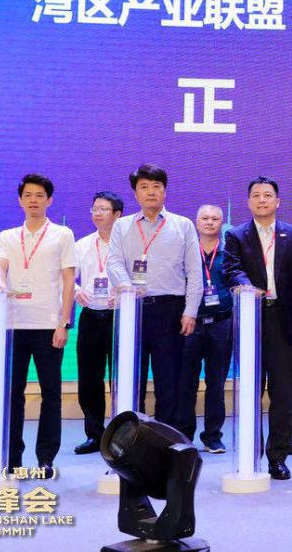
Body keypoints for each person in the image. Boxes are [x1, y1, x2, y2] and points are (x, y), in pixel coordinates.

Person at [223, 176, 292, 480]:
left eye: (267, 195)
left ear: (277, 201)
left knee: (282, 393)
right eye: (256, 195)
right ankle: (250, 454)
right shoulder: (236, 235)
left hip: (285, 321)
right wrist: (247, 287)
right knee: (251, 390)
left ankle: (277, 457)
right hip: (251, 318)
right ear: (248, 201)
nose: (262, 200)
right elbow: (232, 269)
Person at [106, 164, 201, 428]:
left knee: (168, 381)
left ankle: (165, 440)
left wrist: (190, 311)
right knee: (131, 378)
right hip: (132, 309)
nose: (150, 192)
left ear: (164, 192)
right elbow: (113, 262)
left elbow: (194, 271)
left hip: (170, 310)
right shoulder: (122, 226)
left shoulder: (182, 225)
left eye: (156, 186)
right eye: (144, 187)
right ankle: (130, 439)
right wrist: (127, 289)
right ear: (135, 194)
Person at [0, 173, 76, 473]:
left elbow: (69, 280)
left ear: (49, 200)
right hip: (13, 324)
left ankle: (46, 458)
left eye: (39, 195)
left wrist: (64, 322)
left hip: (48, 324)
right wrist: (1, 285)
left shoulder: (62, 235)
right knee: (12, 394)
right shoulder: (8, 236)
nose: (33, 200)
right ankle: (12, 458)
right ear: (20, 200)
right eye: (28, 195)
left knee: (50, 393)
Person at [175, 204, 234, 453]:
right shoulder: (186, 251)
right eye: (205, 218)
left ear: (221, 223)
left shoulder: (230, 253)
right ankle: (184, 434)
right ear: (196, 222)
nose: (209, 222)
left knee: (216, 383)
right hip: (191, 324)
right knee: (185, 382)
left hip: (222, 323)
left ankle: (212, 436)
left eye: (215, 219)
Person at [72, 191, 124, 455]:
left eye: (103, 209)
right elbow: (66, 277)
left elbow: (141, 276)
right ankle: (94, 434)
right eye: (94, 209)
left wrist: (124, 291)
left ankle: (123, 435)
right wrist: (76, 291)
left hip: (119, 317)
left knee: (121, 377)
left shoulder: (126, 244)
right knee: (89, 378)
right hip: (91, 316)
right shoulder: (82, 244)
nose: (97, 213)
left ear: (117, 214)